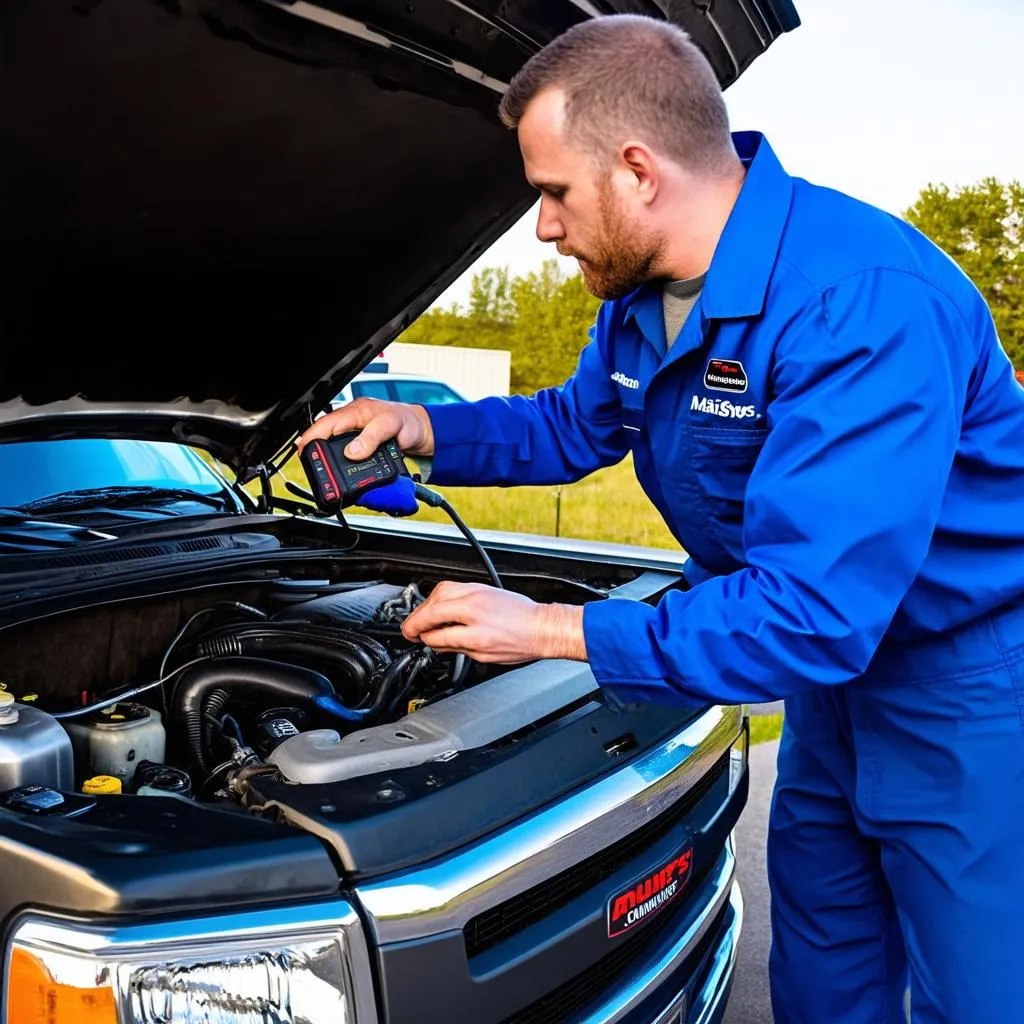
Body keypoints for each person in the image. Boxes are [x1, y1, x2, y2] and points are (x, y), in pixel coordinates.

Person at [298, 14, 1024, 1024]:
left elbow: (809, 611)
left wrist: (551, 629)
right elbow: (573, 423)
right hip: (831, 691)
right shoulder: (642, 295)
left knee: (982, 993)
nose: (543, 226)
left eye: (553, 192)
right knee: (823, 972)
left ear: (638, 170)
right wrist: (421, 425)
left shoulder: (857, 302)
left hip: (962, 689)